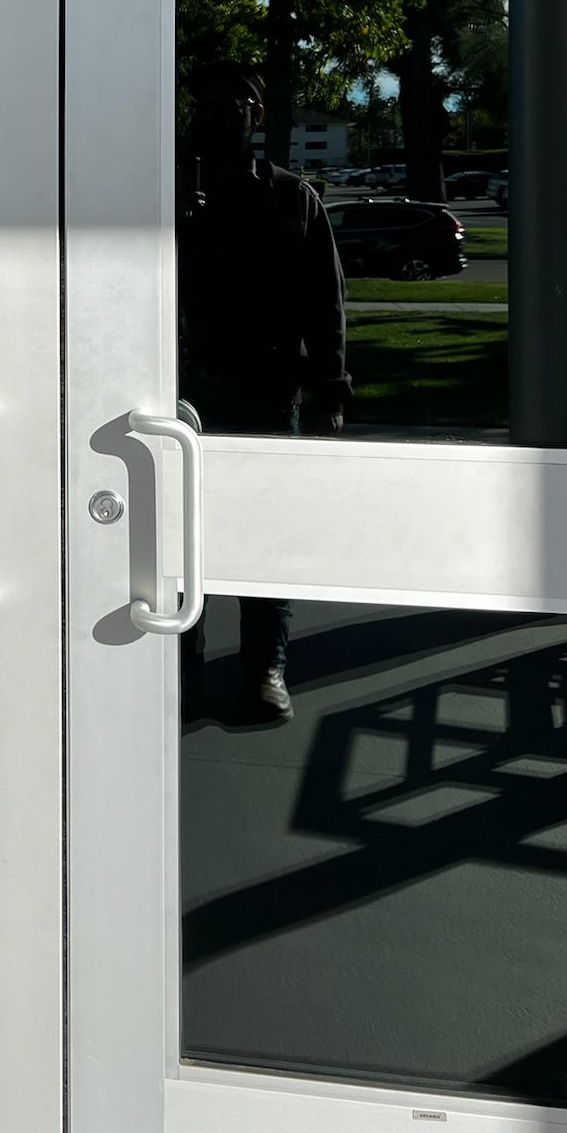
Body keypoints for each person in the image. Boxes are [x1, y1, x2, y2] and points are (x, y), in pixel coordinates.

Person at [178, 61, 349, 721]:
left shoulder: (291, 196)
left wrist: (331, 385)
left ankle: (265, 670)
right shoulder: (163, 194)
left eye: (230, 103)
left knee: (262, 535)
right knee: (179, 536)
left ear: (254, 115)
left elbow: (324, 300)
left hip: (267, 393)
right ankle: (178, 666)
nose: (214, 114)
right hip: (181, 396)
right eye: (204, 104)